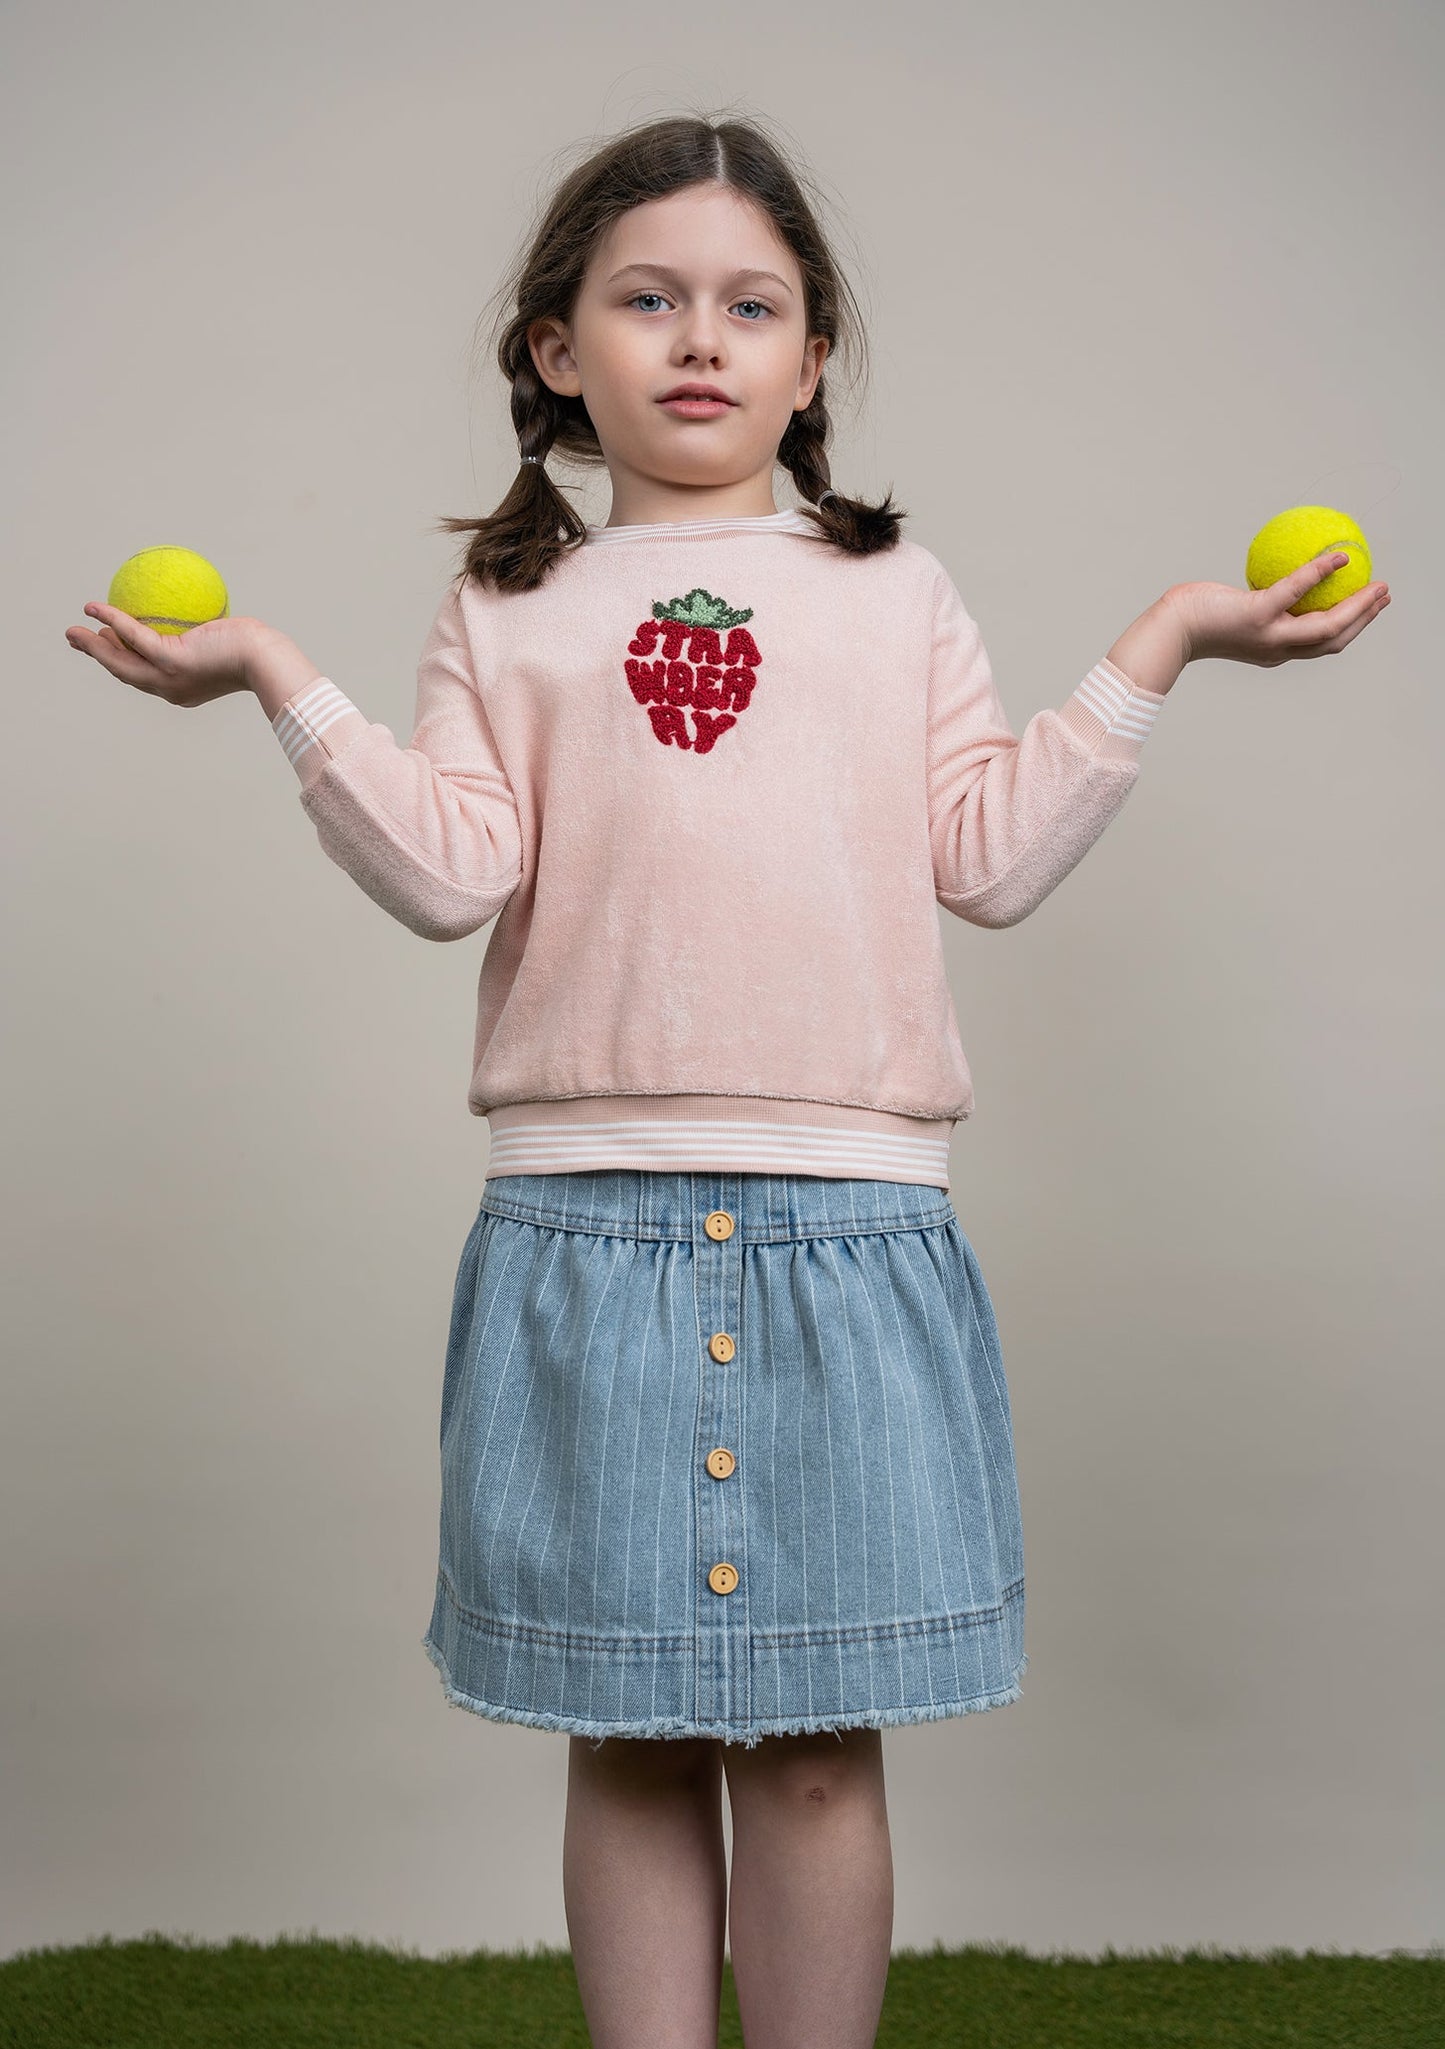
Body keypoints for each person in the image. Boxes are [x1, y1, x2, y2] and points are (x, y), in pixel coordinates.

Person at [63, 111, 1390, 2049]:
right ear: (556, 348)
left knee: (820, 1747)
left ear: (813, 357)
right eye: (648, 299)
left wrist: (1167, 642)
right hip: (580, 1230)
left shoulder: (897, 592)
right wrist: (278, 672)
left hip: (852, 1225)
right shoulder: (506, 607)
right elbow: (447, 874)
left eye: (751, 305)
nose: (701, 338)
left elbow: (989, 855)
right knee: (629, 1735)